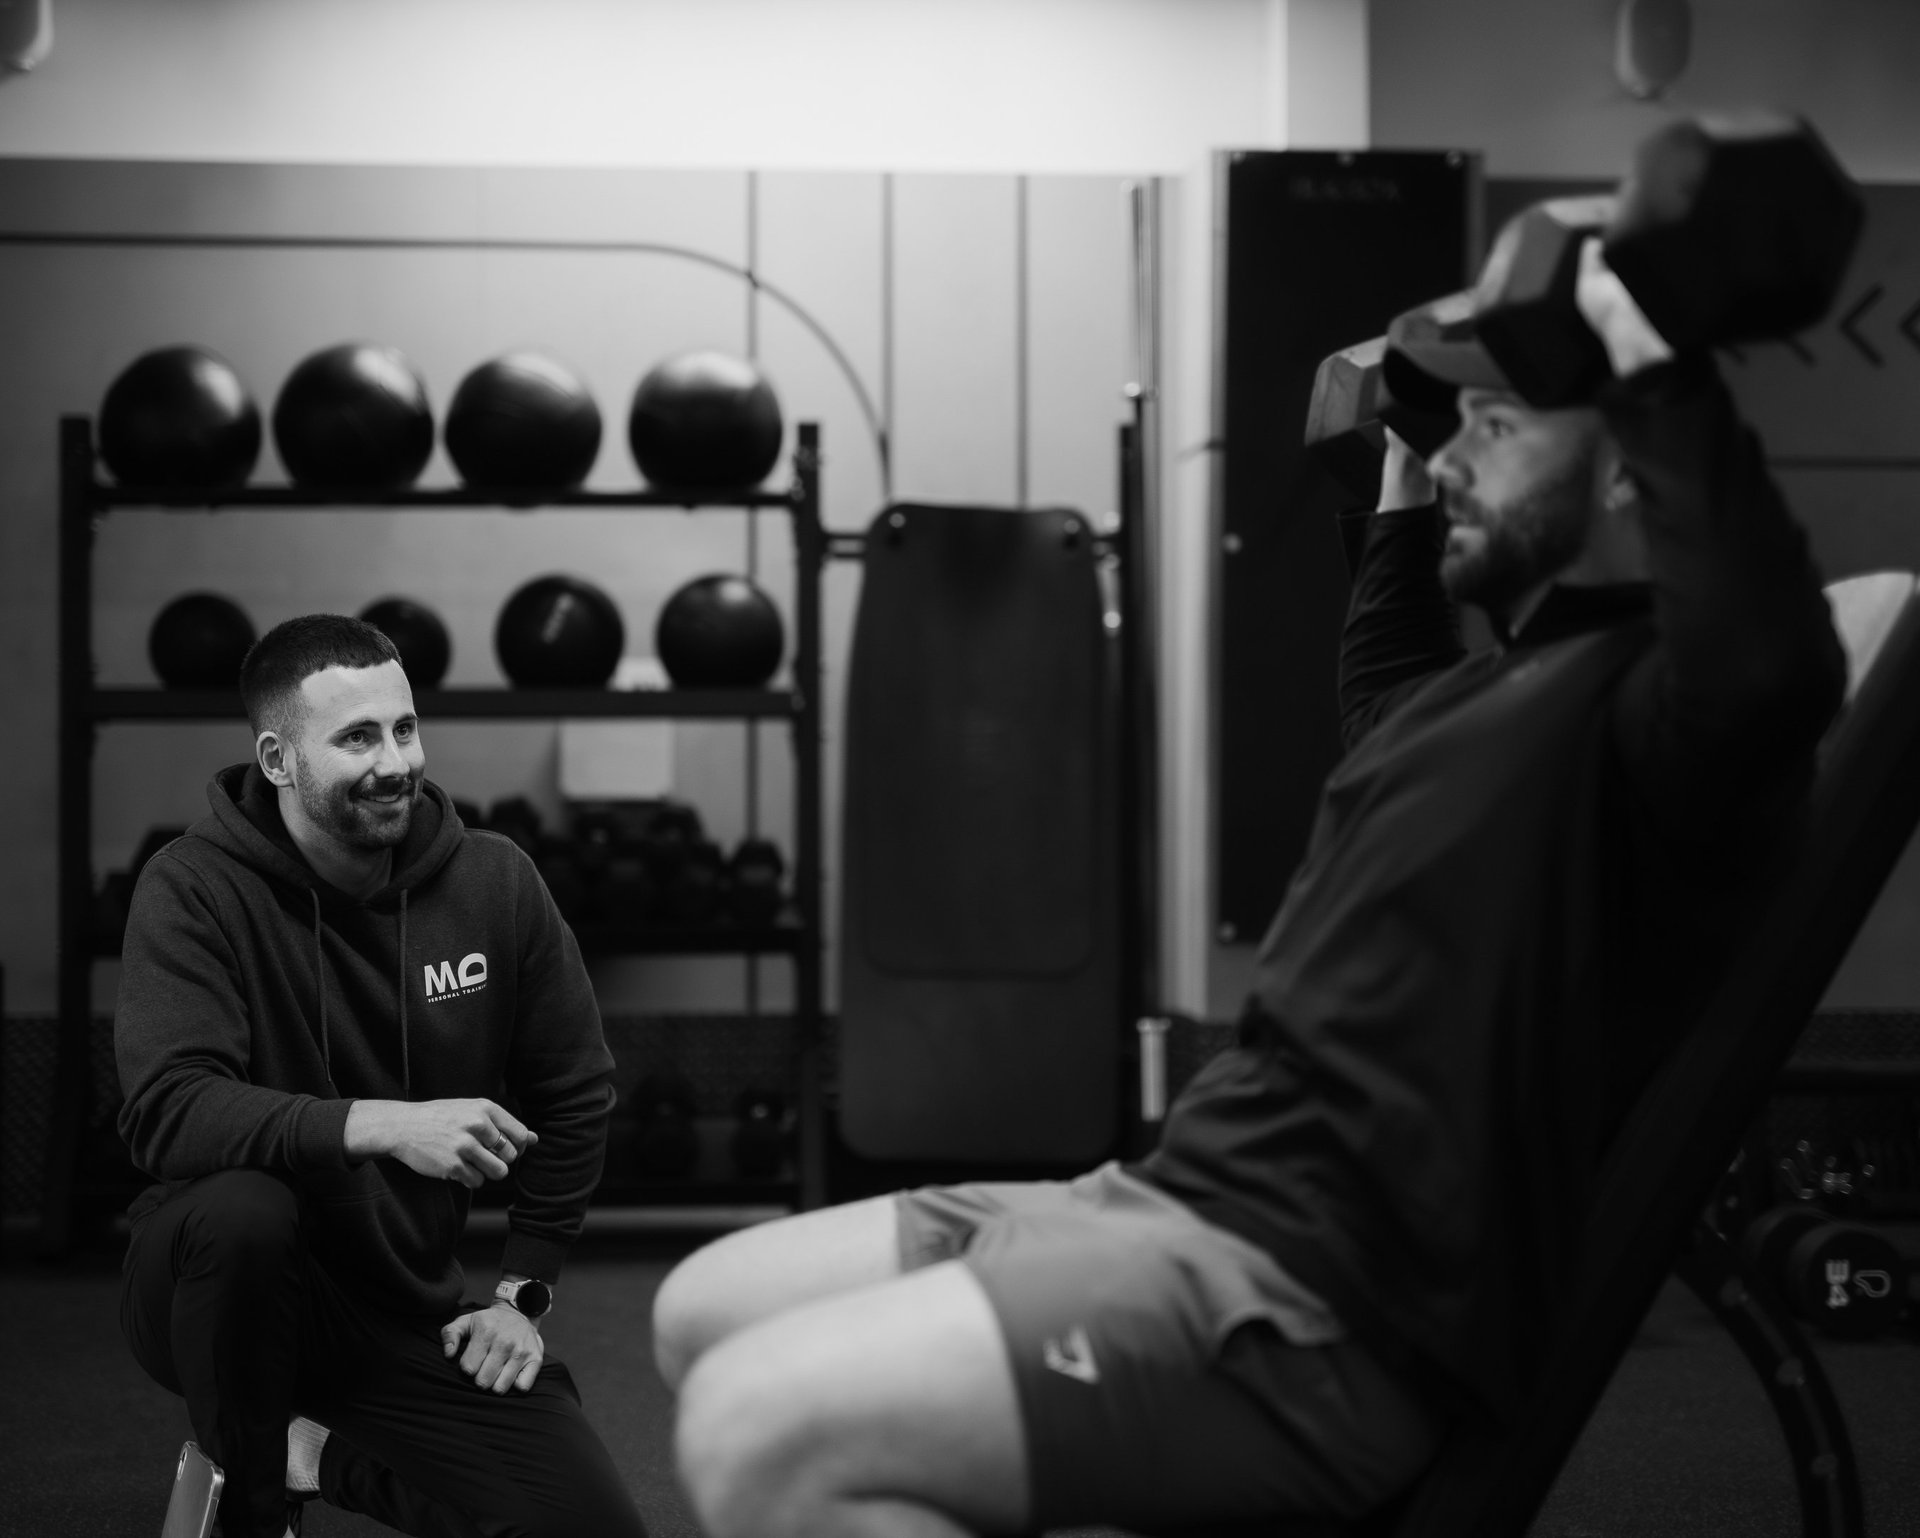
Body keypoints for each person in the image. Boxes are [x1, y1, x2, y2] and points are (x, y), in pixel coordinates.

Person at [646, 234, 1849, 1537]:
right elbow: (1384, 645)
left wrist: (1651, 356)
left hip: (1314, 1298)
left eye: (1495, 427)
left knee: (751, 1434)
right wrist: (1403, 445)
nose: (1453, 460)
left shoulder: (1655, 728)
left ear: (1629, 462)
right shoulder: (1464, 703)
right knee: (693, 1309)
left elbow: (1768, 667)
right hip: (1172, 1197)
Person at [115, 614, 648, 1538]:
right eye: (357, 737)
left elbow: (574, 1089)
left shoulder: (493, 882)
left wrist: (524, 1291)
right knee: (248, 1208)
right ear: (279, 759)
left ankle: (304, 1451)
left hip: (397, 1306)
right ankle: (248, 1490)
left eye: (404, 728)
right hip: (214, 1288)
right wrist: (382, 1122)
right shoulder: (193, 887)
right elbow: (170, 1110)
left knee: (589, 1526)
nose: (395, 761)